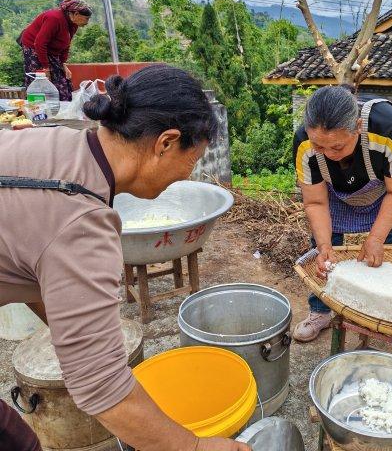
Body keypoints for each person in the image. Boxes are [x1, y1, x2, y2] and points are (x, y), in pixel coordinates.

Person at [0, 65, 249, 451]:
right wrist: (196, 447)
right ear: (165, 143)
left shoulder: (52, 144)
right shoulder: (82, 223)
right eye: (192, 160)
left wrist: (89, 338)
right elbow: (101, 390)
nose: (188, 174)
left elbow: (29, 254)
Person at [292, 85, 392, 342]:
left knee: (385, 251)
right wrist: (325, 245)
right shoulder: (304, 143)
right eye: (319, 147)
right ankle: (321, 310)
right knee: (322, 254)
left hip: (385, 193)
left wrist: (375, 239)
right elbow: (316, 202)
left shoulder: (390, 131)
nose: (327, 155)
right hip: (334, 193)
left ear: (358, 127)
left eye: (336, 148)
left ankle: (387, 314)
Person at [19, 0, 92, 101]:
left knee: (62, 81)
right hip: (34, 48)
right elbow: (40, 43)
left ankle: (63, 108)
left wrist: (63, 64)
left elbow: (66, 44)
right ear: (76, 14)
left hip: (51, 51)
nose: (87, 22)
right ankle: (38, 110)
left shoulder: (73, 25)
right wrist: (46, 68)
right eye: (86, 19)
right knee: (41, 80)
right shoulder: (54, 18)